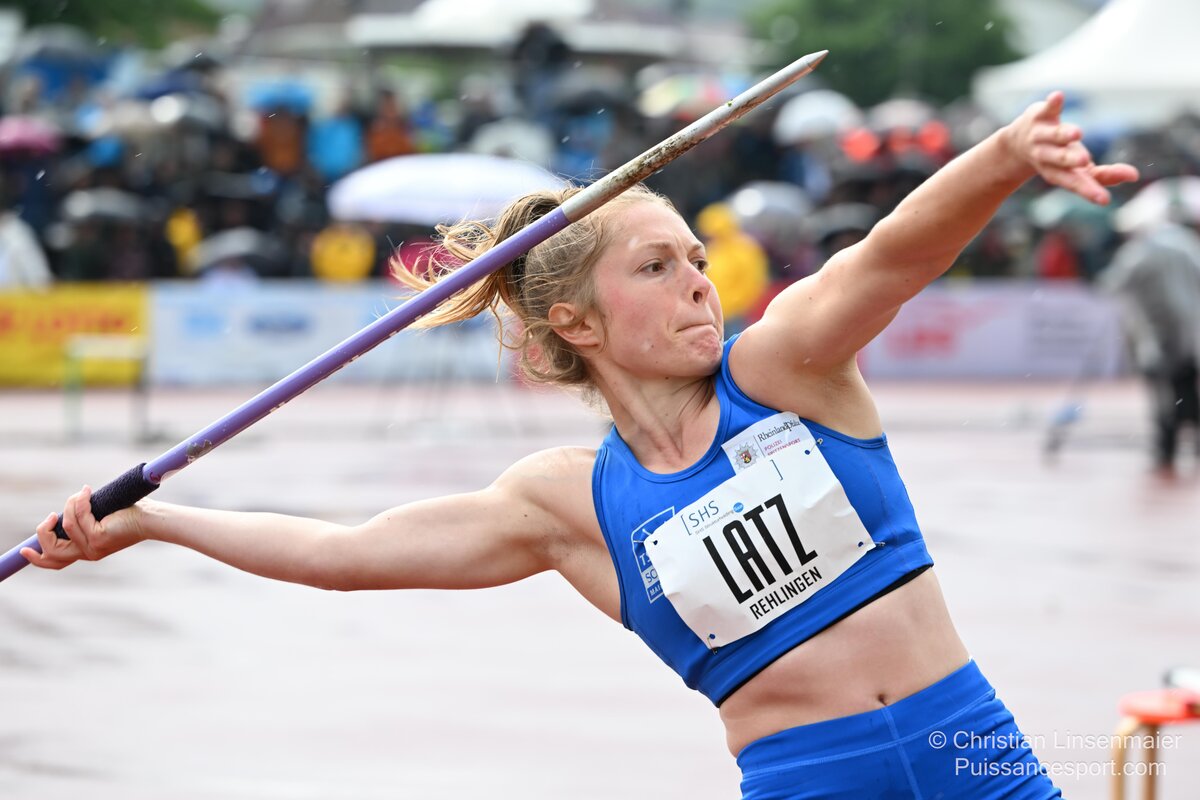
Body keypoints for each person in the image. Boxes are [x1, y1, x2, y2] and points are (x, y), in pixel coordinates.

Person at [25, 92, 1137, 799]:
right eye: (655, 266)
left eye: (693, 256)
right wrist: (156, 520)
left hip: (974, 752)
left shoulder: (784, 371)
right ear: (576, 322)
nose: (698, 280)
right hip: (806, 779)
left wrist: (1005, 154)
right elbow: (342, 554)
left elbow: (889, 257)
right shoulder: (566, 505)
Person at [1100, 217, 1200, 474]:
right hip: (1189, 330)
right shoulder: (1187, 246)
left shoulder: (1139, 252)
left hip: (1157, 334)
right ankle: (1192, 437)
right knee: (1187, 386)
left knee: (1163, 393)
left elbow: (1111, 284)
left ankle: (1166, 448)